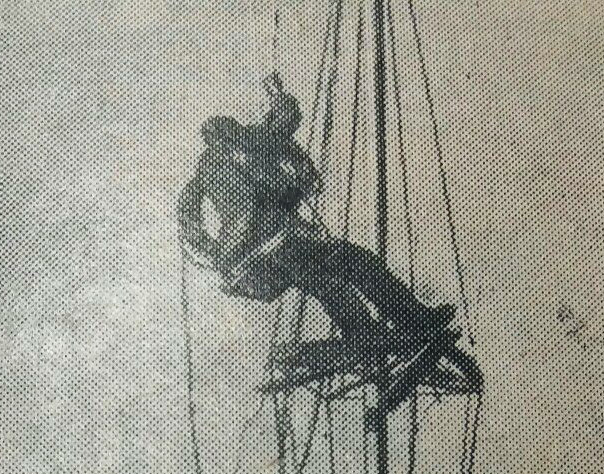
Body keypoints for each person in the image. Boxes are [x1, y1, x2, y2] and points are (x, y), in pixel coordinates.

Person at [179, 75, 461, 363]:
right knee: (328, 280)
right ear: (218, 144)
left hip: (281, 243)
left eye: (235, 139)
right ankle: (364, 337)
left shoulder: (249, 145)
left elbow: (282, 123)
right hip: (261, 257)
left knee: (357, 261)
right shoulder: (215, 170)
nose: (236, 148)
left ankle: (411, 321)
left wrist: (278, 97)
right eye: (228, 143)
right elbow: (207, 218)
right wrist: (219, 256)